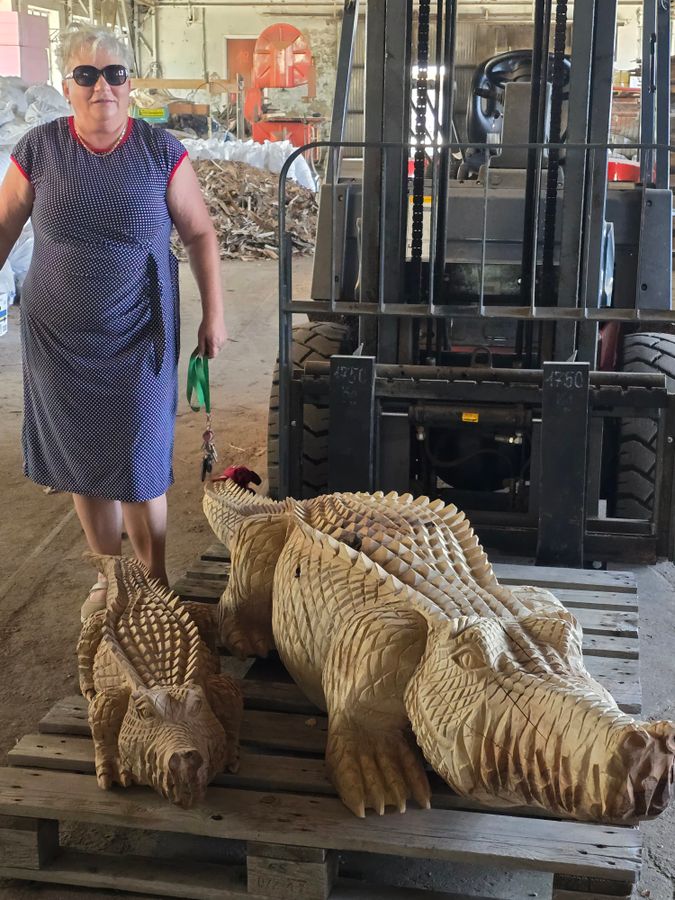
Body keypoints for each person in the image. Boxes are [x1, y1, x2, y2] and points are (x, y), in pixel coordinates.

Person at [0, 24, 227, 620]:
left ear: (129, 84)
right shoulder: (38, 149)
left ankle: (151, 579)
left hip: (140, 333)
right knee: (84, 461)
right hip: (59, 335)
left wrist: (214, 313)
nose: (102, 86)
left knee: (141, 462)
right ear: (67, 86)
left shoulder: (160, 151)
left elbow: (201, 232)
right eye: (86, 74)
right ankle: (108, 573)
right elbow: (3, 226)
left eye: (114, 74)